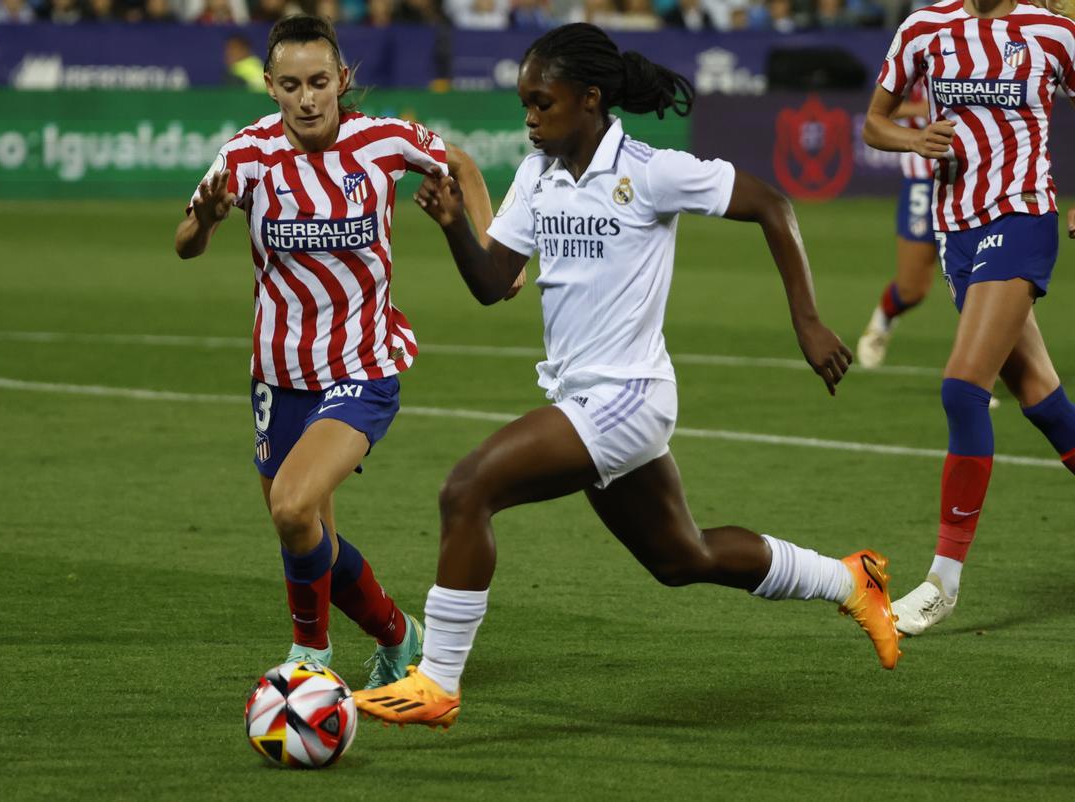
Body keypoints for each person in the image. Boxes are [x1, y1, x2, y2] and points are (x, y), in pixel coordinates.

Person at [354, 22, 902, 730]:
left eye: (541, 103)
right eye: (524, 103)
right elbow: (494, 283)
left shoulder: (649, 170)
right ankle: (852, 578)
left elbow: (772, 203)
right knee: (682, 557)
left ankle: (438, 681)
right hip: (584, 401)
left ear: (589, 100)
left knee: (468, 489)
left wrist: (806, 319)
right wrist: (458, 226)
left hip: (629, 399)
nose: (528, 118)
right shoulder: (535, 177)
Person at [174, 15, 507, 688]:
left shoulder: (382, 141)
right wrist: (205, 220)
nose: (306, 98)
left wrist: (494, 244)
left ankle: (309, 657)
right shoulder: (246, 154)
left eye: (319, 82)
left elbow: (462, 163)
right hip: (278, 373)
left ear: (342, 80)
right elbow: (185, 240)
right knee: (305, 533)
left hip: (363, 364)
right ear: (270, 85)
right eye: (291, 84)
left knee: (293, 509)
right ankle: (396, 633)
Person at [863, 0, 1075, 635]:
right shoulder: (925, 27)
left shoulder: (1052, 31)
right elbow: (874, 123)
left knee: (962, 389)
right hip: (957, 231)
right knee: (1041, 396)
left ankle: (942, 583)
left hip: (1023, 218)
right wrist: (911, 137)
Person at [856, 76, 936, 369]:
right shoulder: (916, 48)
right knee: (911, 289)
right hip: (923, 182)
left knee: (985, 282)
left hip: (977, 180)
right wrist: (920, 109)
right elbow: (878, 113)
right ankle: (882, 322)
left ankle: (980, 378)